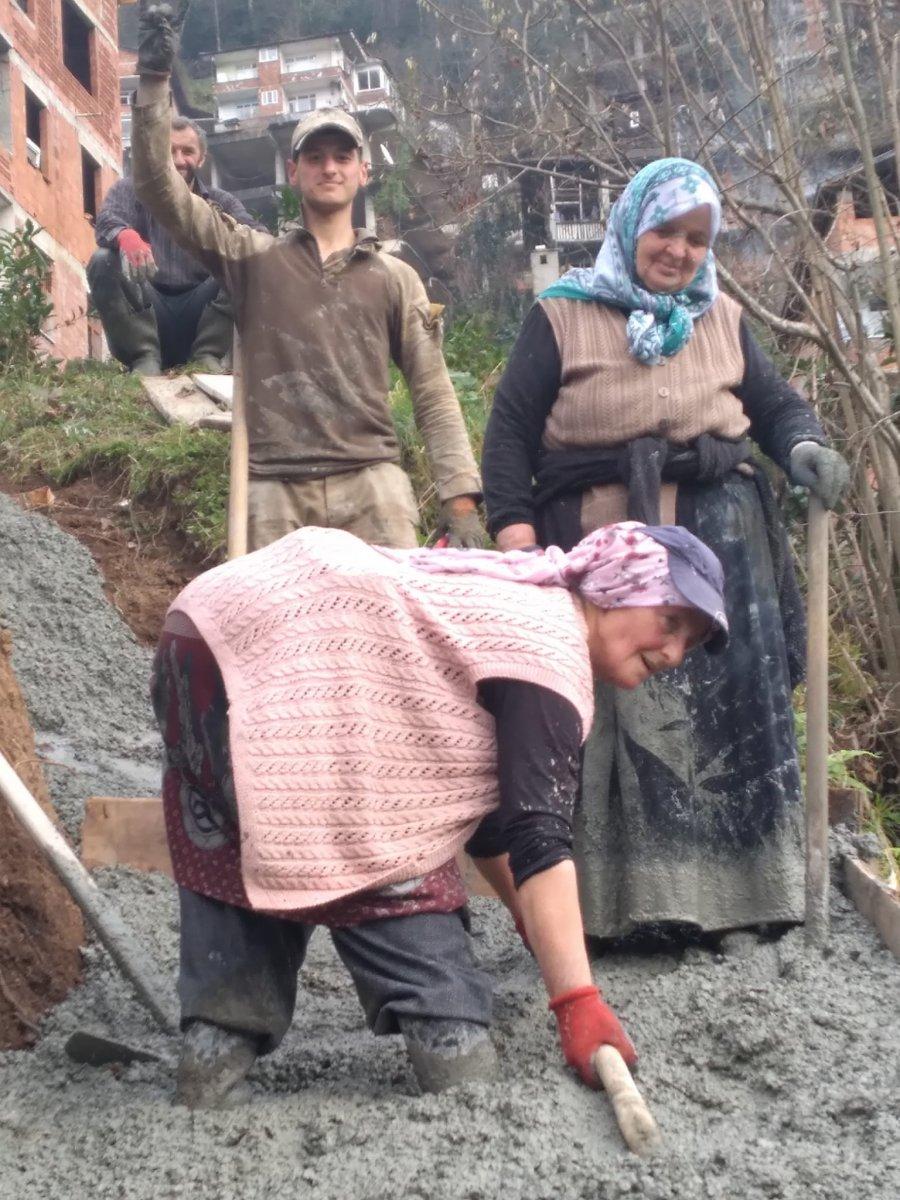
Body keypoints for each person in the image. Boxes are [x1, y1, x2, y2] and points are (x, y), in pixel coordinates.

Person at [151, 518, 727, 1108]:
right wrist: (577, 1001)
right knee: (398, 871)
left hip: (208, 634)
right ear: (616, 588)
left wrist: (531, 923)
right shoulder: (548, 652)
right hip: (287, 653)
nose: (674, 653)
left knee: (242, 853)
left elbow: (492, 823)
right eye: (670, 621)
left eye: (690, 643)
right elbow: (538, 838)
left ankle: (213, 1059)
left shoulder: (518, 599)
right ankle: (450, 1046)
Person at [482, 157, 851, 941]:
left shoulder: (722, 316)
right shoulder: (562, 314)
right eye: (665, 231)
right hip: (597, 550)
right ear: (631, 226)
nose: (678, 250)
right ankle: (610, 916)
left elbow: (773, 404)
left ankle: (745, 901)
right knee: (607, 722)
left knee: (724, 726)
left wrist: (806, 447)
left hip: (723, 555)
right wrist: (519, 543)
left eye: (696, 238)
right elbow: (509, 433)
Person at [128, 2, 485, 553]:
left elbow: (432, 390)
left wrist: (460, 501)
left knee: (381, 612)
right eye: (315, 157)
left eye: (343, 156)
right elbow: (159, 189)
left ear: (364, 171)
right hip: (274, 489)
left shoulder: (394, 277)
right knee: (274, 614)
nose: (330, 167)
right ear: (293, 172)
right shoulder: (253, 259)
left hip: (373, 486)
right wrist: (154, 79)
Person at [90, 116, 264, 375]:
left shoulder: (222, 202)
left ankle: (207, 356)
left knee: (252, 259)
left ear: (201, 158)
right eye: (169, 151)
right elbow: (107, 221)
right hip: (147, 311)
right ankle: (143, 357)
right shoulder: (131, 189)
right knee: (103, 259)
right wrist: (126, 236)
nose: (179, 160)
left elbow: (259, 237)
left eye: (188, 152)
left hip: (204, 315)